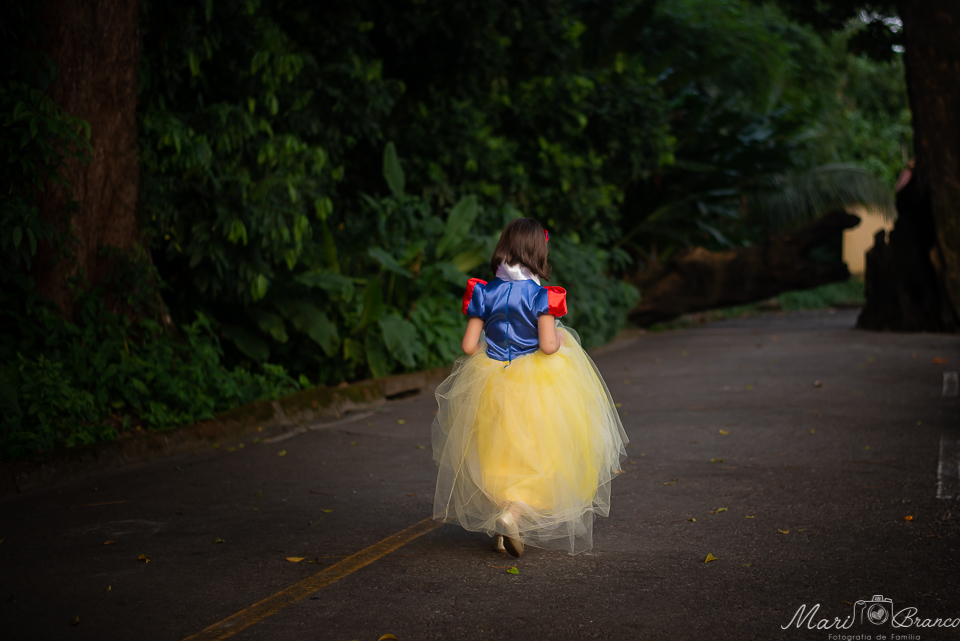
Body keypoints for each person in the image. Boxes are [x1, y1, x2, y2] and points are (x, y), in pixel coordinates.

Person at [431, 218, 628, 557]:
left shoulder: (485, 291)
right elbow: (548, 345)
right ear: (538, 252)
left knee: (497, 450)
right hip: (536, 384)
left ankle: (504, 523)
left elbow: (467, 346)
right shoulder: (541, 296)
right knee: (541, 453)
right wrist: (563, 337)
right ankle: (513, 513)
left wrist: (490, 347)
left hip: (490, 381)